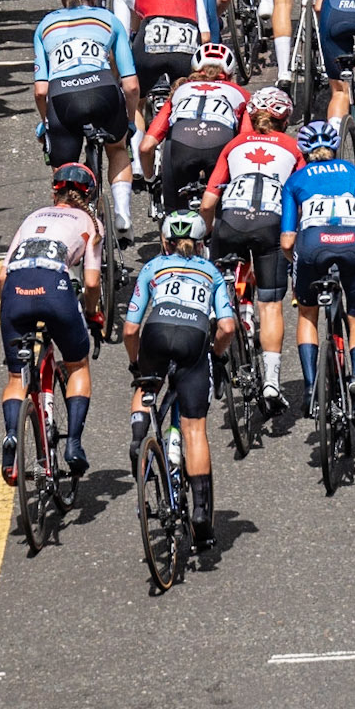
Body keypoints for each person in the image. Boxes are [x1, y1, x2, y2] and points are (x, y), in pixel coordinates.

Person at [124, 209, 234, 550]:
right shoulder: (211, 272)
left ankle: (138, 439)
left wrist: (136, 365)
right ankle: (200, 513)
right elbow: (227, 327)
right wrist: (216, 353)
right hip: (193, 339)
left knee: (147, 384)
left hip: (156, 333)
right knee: (194, 429)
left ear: (164, 241)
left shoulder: (153, 267)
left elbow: (130, 329)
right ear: (201, 244)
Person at [198, 83, 301, 416]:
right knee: (270, 305)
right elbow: (301, 197)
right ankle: (271, 382)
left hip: (231, 221)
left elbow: (208, 202)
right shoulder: (293, 147)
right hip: (271, 222)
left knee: (219, 285)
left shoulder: (234, 144)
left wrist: (208, 233)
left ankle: (224, 334)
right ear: (285, 120)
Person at [0, 164, 102, 483]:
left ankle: (12, 438)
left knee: (17, 377)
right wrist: (93, 314)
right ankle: (73, 444)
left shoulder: (33, 217)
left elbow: (2, 276)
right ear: (89, 195)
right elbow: (92, 282)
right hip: (55, 290)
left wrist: (14, 309)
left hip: (16, 291)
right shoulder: (90, 223)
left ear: (55, 192)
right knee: (77, 365)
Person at [279, 120, 355, 425]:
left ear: (304, 152)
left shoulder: (296, 180)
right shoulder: (353, 173)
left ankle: (310, 387)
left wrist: (294, 261)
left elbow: (287, 241)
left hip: (312, 245)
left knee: (307, 314)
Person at [33, 0, 139, 241]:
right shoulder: (108, 19)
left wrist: (46, 123)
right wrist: (128, 122)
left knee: (64, 169)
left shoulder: (45, 25)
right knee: (117, 148)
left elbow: (41, 91)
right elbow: (131, 85)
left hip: (63, 96)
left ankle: (70, 229)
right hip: (103, 90)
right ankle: (123, 214)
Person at [138, 41, 246, 212]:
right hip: (220, 142)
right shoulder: (240, 93)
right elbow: (246, 139)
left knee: (174, 216)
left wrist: (150, 180)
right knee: (221, 212)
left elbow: (146, 147)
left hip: (181, 144)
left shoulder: (181, 90)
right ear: (230, 73)